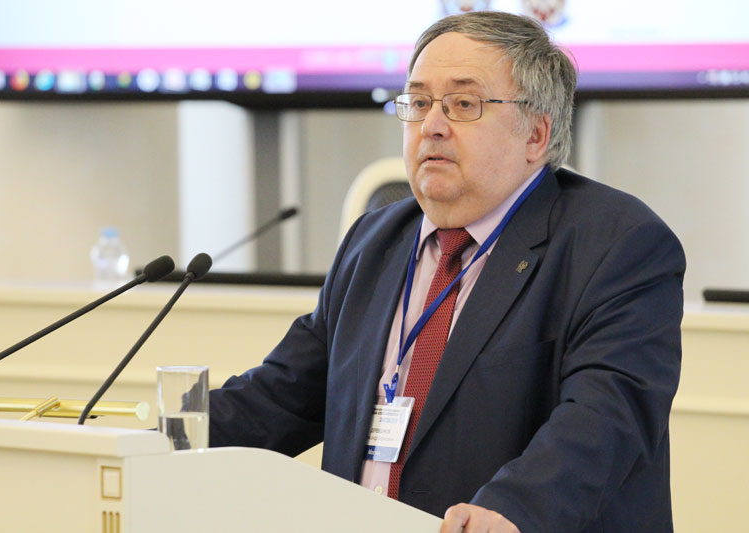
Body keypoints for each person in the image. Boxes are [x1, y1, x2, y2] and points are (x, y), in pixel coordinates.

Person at [208, 10, 685, 533]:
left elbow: (606, 417)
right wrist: (164, 436)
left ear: (536, 135)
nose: (431, 125)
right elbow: (281, 396)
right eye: (418, 103)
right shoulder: (373, 241)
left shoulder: (617, 243)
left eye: (463, 104)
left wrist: (513, 508)